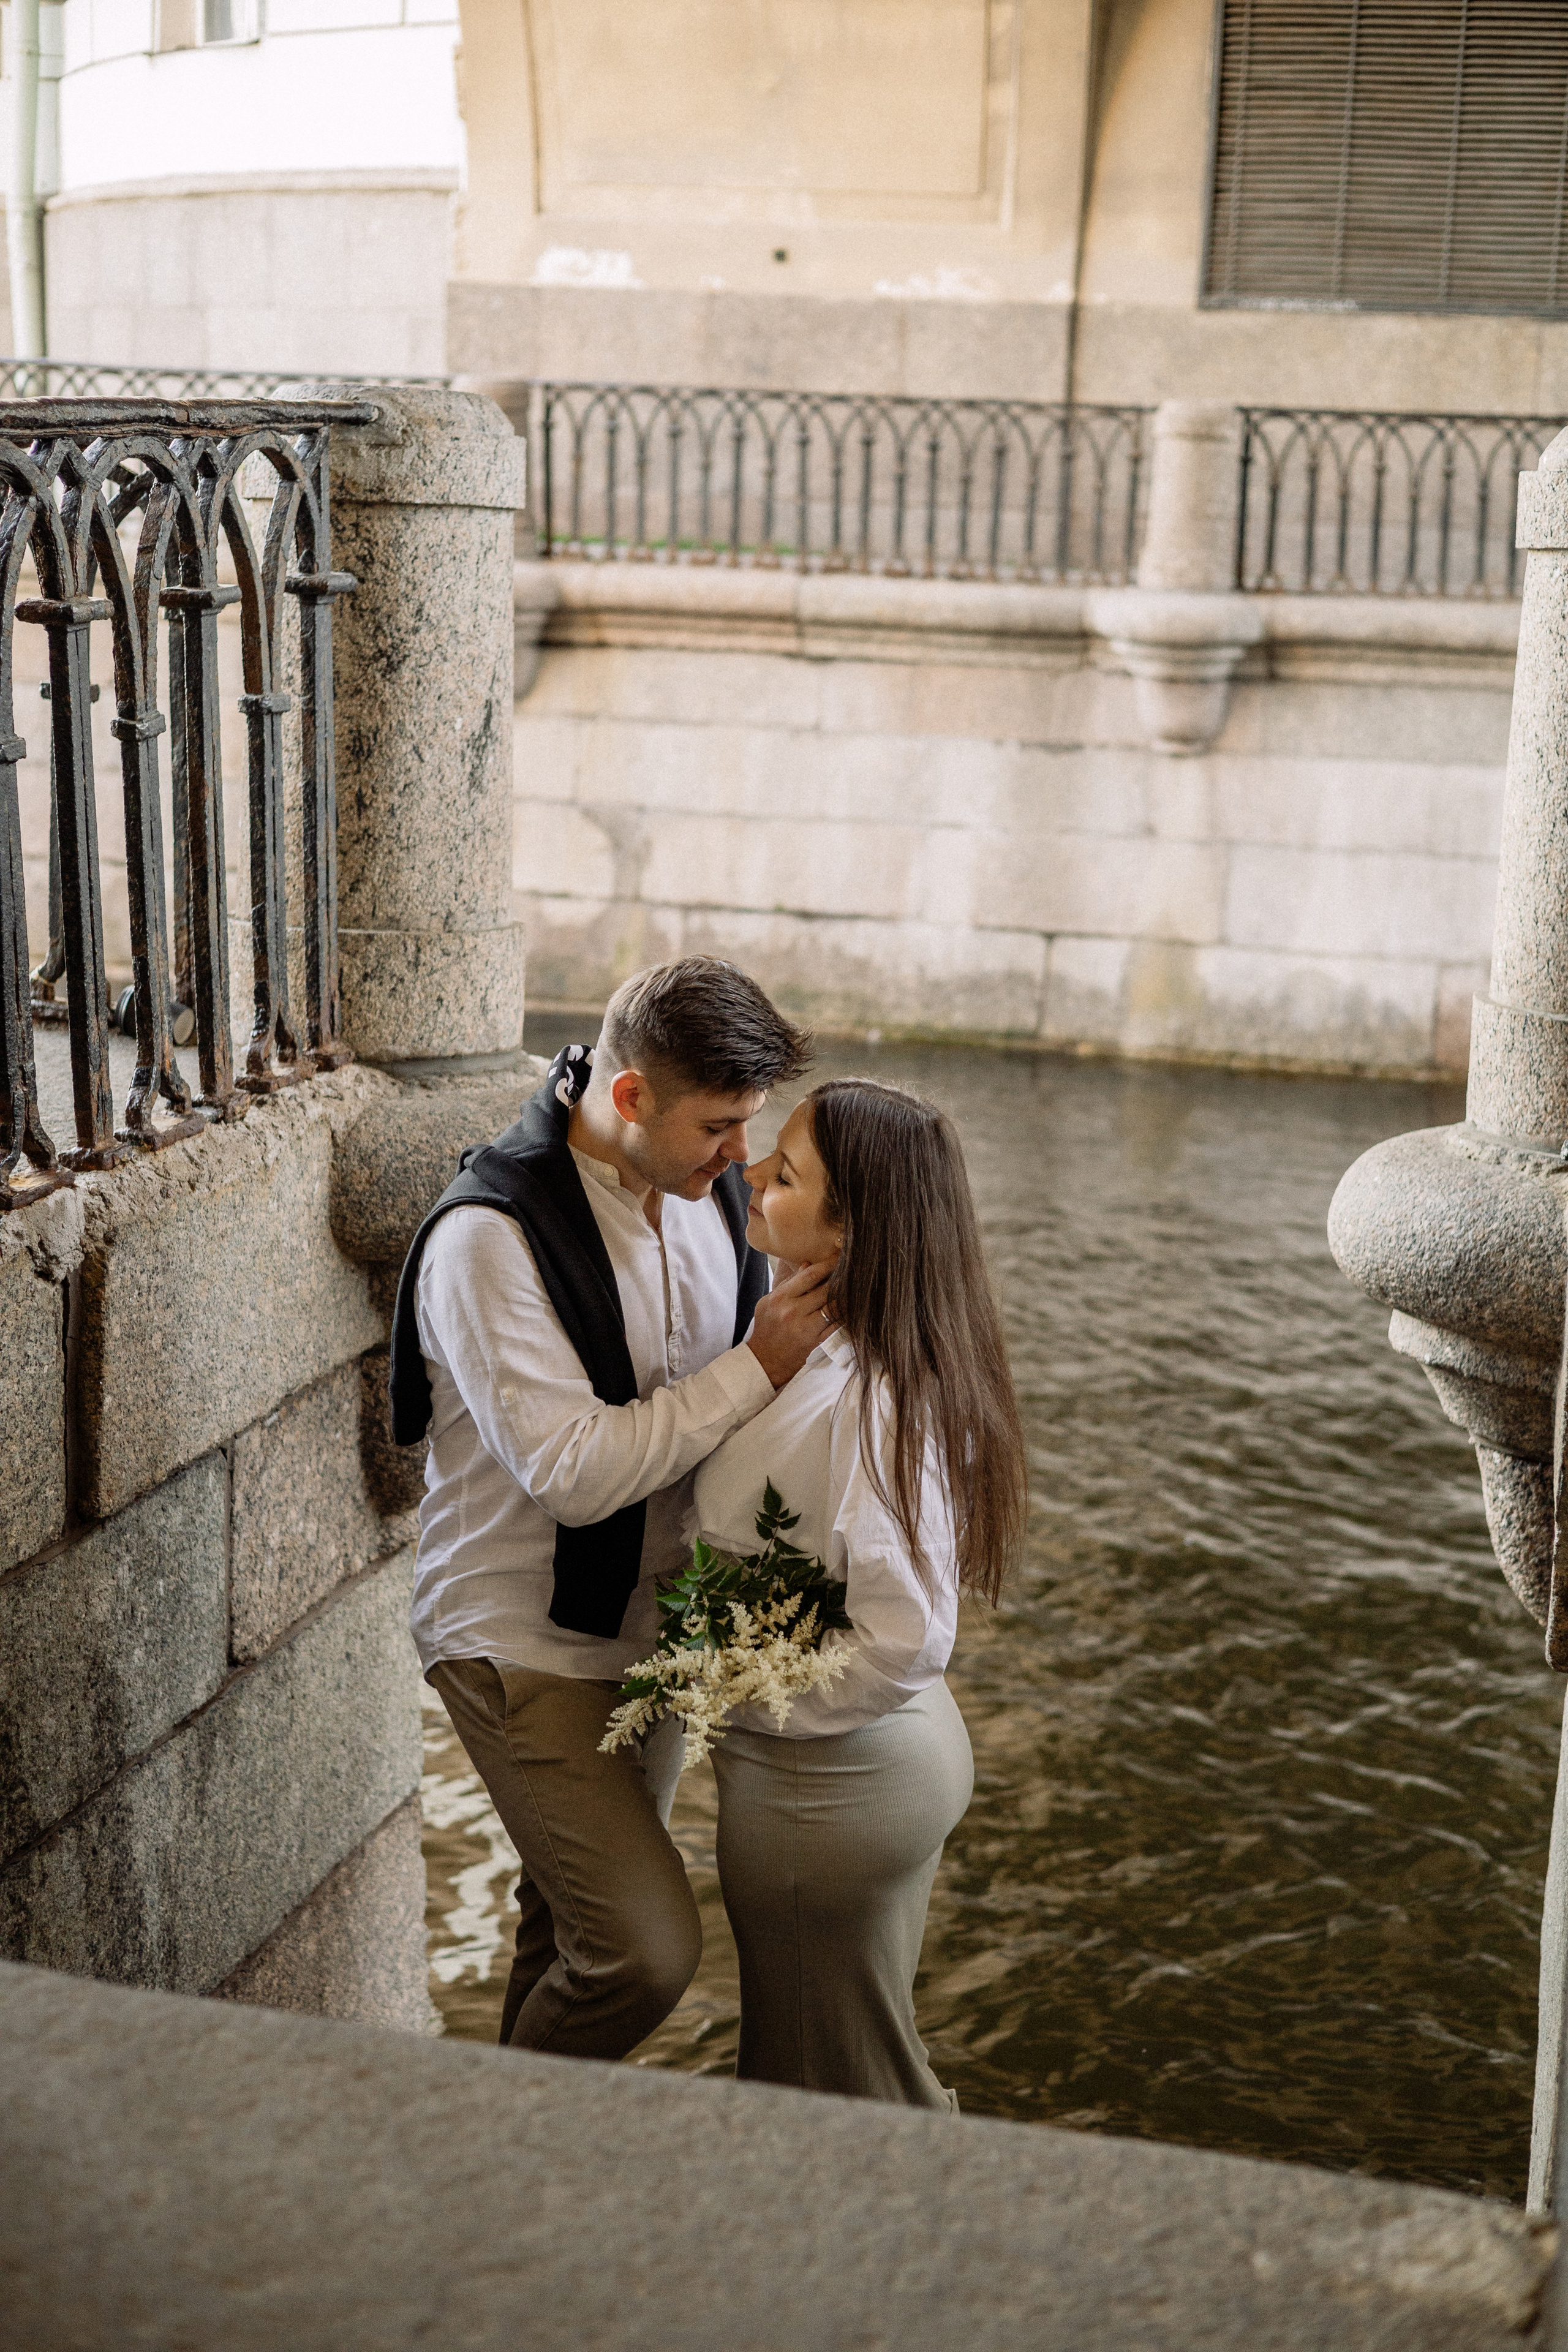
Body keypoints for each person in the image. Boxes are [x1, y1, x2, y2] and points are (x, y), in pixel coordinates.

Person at [388, 957, 829, 2060]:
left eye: (751, 1123)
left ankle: (510, 2158)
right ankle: (479, 2141)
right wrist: (760, 1365)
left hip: (657, 1631)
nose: (743, 1155)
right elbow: (574, 1473)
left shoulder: (713, 1195)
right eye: (719, 1126)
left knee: (571, 1939)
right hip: (523, 1642)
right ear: (629, 1096)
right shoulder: (489, 1236)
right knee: (642, 1951)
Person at [692, 1077, 1027, 2108]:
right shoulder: (843, 1347)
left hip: (830, 1790)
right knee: (859, 2070)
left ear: (850, 1233)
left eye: (786, 1175)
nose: (752, 1172)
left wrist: (752, 1698)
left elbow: (909, 1634)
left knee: (820, 2097)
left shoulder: (876, 1396)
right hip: (867, 1769)